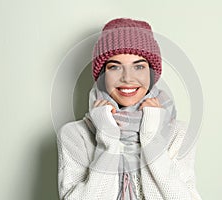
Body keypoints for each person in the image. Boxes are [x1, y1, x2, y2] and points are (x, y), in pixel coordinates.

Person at [57, 18, 202, 200]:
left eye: (139, 66)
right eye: (115, 67)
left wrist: (151, 137)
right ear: (102, 74)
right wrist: (108, 138)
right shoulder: (74, 135)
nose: (127, 78)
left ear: (151, 73)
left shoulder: (178, 133)